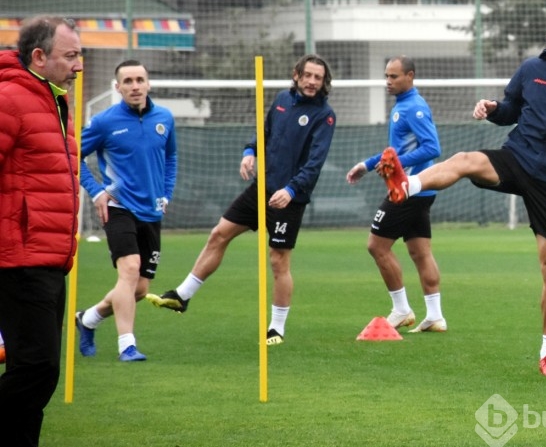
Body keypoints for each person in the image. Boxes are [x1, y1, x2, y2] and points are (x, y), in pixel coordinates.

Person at [376, 8, 546, 376]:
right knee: (465, 159)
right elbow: (511, 109)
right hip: (518, 157)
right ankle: (407, 185)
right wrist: (493, 108)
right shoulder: (532, 70)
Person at [147, 54, 336, 346]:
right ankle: (181, 296)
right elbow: (265, 132)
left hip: (290, 198)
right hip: (261, 189)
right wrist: (250, 151)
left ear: (324, 82)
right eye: (308, 75)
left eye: (318, 78)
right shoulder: (282, 99)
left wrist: (292, 190)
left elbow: (315, 162)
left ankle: (276, 328)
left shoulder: (325, 115)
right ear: (296, 74)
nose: (312, 82)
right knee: (219, 234)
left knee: (278, 261)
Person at [0, 16, 82, 447]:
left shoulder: (54, 101)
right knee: (37, 367)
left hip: (51, 258)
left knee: (37, 373)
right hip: (20, 259)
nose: (79, 66)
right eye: (70, 56)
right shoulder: (11, 99)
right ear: (39, 57)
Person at [75, 60, 177, 362]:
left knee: (140, 288)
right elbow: (73, 156)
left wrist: (166, 194)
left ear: (148, 83)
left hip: (152, 211)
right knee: (129, 270)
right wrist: (96, 192)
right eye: (128, 81)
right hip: (118, 207)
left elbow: (171, 158)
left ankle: (89, 319)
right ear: (117, 87)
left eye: (139, 80)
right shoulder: (104, 122)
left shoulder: (165, 118)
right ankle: (127, 345)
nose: (135, 86)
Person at [346, 56, 446, 333]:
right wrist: (366, 165)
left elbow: (432, 148)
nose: (388, 82)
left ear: (410, 76)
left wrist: (398, 166)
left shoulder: (414, 108)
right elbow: (395, 151)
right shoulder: (403, 105)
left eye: (394, 76)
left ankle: (401, 310)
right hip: (419, 189)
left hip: (408, 189)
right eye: (386, 76)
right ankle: (436, 316)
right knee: (419, 252)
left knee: (376, 246)